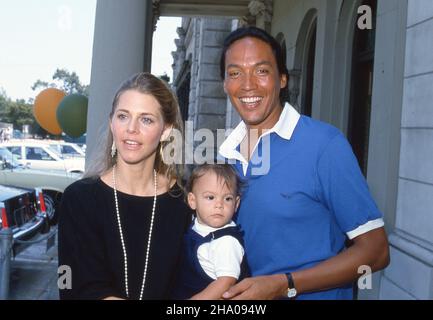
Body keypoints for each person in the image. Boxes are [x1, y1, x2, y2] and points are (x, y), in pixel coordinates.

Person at [218, 26, 390, 300]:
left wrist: (283, 283)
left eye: (261, 71)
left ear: (282, 79)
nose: (248, 84)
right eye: (235, 73)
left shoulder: (324, 145)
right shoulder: (226, 154)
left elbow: (376, 252)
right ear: (225, 84)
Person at [58, 72, 193, 300]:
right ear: (112, 123)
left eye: (146, 119)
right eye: (123, 116)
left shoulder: (185, 202)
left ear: (166, 131)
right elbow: (72, 286)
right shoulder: (79, 199)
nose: (131, 128)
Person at [172, 164, 249, 300]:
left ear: (236, 204)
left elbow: (226, 282)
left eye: (227, 199)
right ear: (192, 201)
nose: (219, 204)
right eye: (210, 197)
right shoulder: (196, 226)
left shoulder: (226, 242)